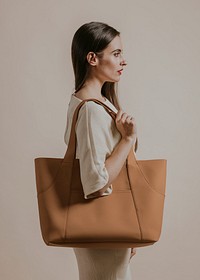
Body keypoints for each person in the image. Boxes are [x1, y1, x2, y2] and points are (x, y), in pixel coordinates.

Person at [64, 21, 137, 280]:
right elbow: (95, 183)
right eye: (116, 53)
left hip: (109, 229)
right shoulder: (91, 110)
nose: (123, 61)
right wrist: (127, 140)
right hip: (102, 231)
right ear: (92, 58)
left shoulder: (94, 103)